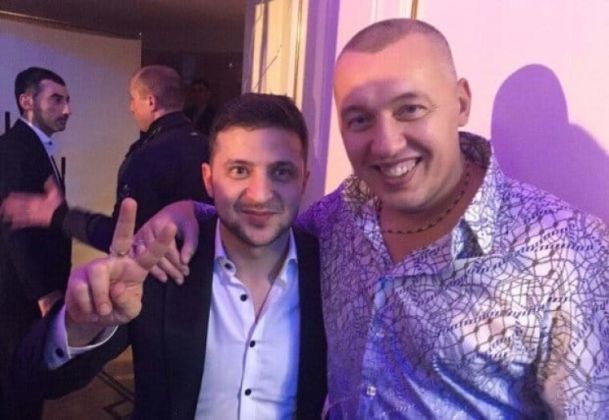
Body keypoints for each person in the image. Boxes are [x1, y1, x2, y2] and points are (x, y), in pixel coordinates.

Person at [134, 19, 609, 417]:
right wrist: (186, 212)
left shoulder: (567, 252)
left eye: (410, 109)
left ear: (461, 103)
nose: (386, 144)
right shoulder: (341, 216)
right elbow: (263, 219)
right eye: (360, 119)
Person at [11, 93, 327, 419]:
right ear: (208, 180)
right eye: (239, 170)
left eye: (281, 172)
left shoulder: (331, 273)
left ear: (304, 181)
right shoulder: (161, 261)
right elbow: (36, 379)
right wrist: (81, 325)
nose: (260, 195)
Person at [1, 65, 211, 270]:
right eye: (57, 100)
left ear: (150, 102)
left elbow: (125, 236)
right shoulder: (208, 146)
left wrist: (61, 217)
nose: (130, 108)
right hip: (204, 274)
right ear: (26, 102)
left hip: (158, 279)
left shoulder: (146, 156)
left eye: (132, 99)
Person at [0, 67, 73, 419]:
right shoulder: (15, 149)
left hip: (25, 293)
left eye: (67, 100)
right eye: (56, 100)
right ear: (26, 102)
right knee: (19, 384)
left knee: (25, 382)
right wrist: (43, 293)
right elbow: (14, 228)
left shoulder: (31, 145)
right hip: (20, 296)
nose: (67, 109)